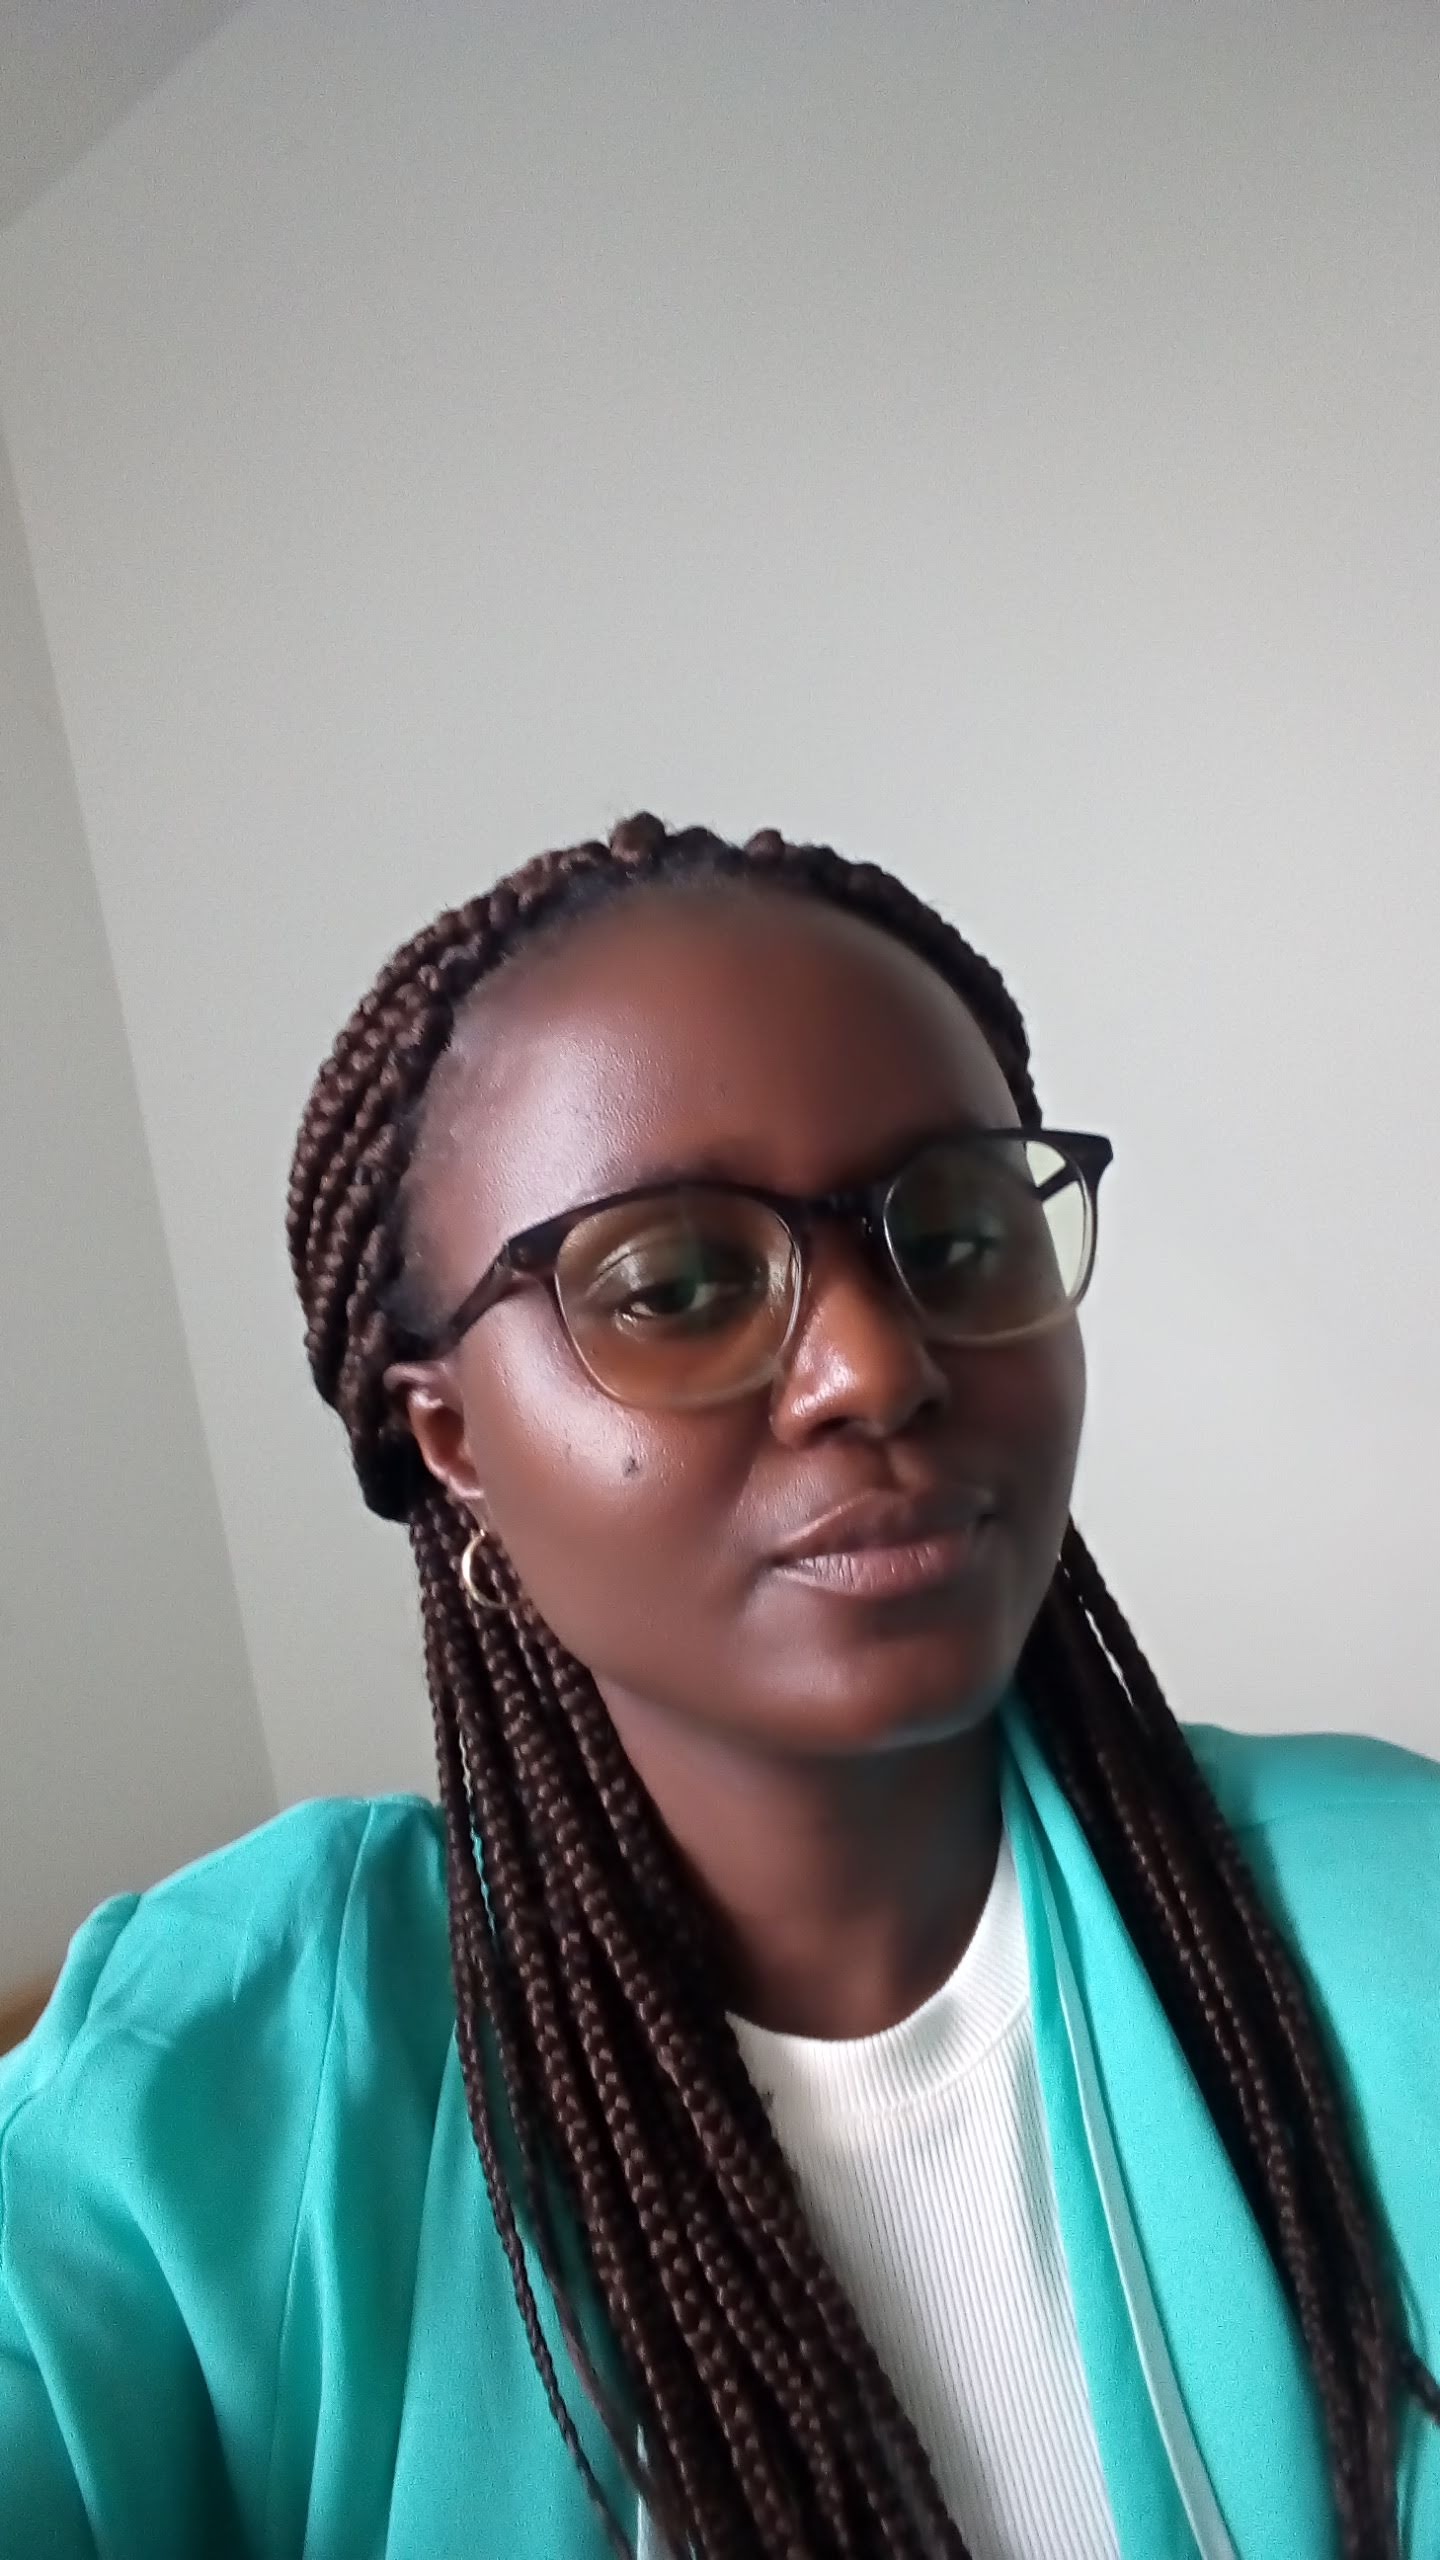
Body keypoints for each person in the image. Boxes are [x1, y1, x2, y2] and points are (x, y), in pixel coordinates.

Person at [1, 814, 1436, 2560]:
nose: (875, 1368)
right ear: (451, 1439)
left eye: (957, 1237)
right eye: (675, 1284)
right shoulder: (237, 2070)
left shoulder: (1392, 1922)